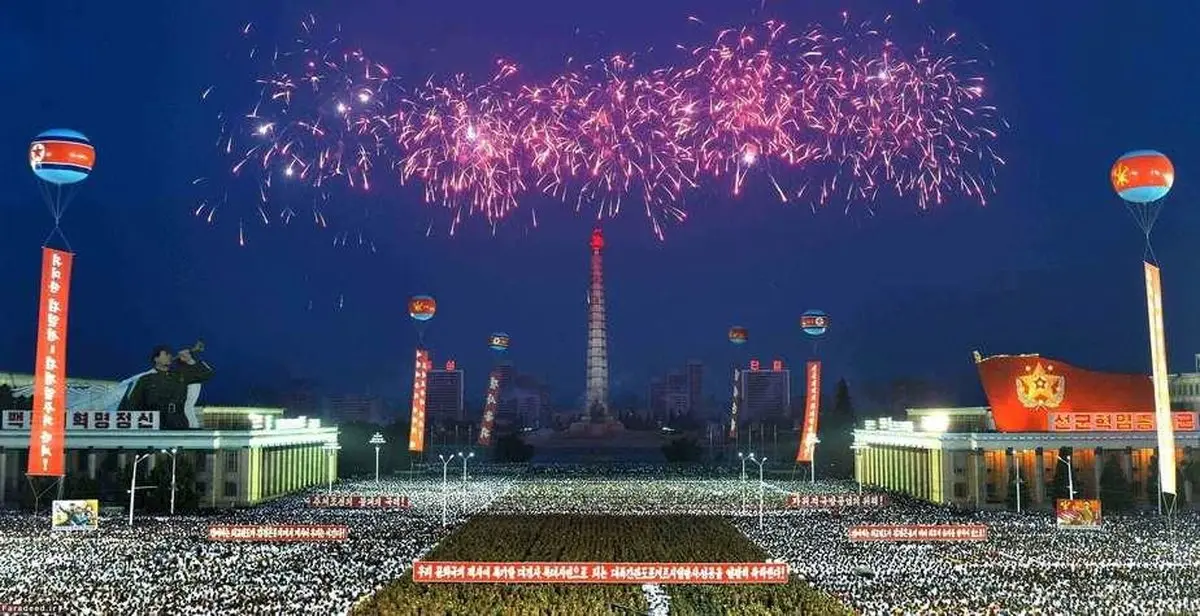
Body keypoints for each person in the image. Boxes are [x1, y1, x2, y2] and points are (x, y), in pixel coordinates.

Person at [120, 345, 214, 430]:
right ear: (156, 359)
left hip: (178, 422)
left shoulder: (180, 375)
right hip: (155, 424)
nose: (169, 356)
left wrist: (190, 361)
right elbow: (133, 404)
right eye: (166, 354)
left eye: (170, 354)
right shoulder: (146, 379)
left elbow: (207, 374)